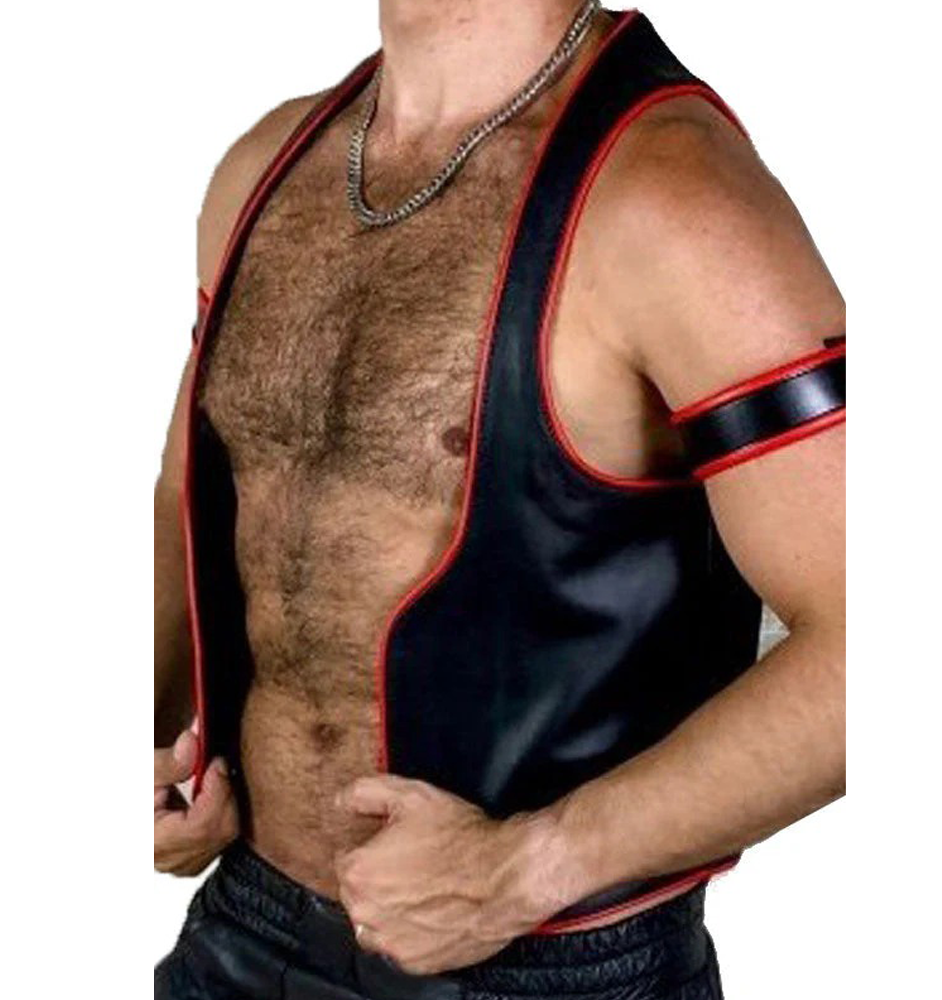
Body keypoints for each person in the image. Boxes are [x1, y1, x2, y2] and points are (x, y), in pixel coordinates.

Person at [154, 2, 846, 997]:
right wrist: (142, 733)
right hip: (244, 928)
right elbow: (190, 495)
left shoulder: (672, 199)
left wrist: (531, 866)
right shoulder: (266, 170)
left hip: (549, 965)